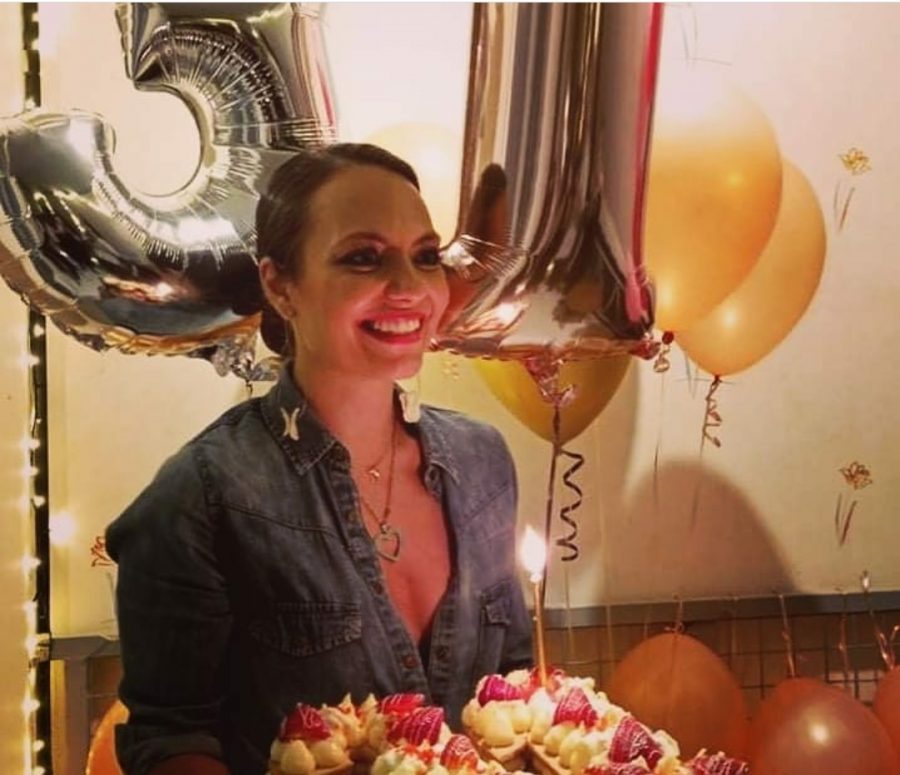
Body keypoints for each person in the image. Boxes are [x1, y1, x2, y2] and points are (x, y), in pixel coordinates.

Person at [105, 143, 533, 775]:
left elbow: (515, 684)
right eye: (363, 258)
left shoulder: (483, 463)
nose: (411, 289)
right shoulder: (202, 496)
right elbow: (171, 739)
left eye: (426, 256)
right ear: (281, 285)